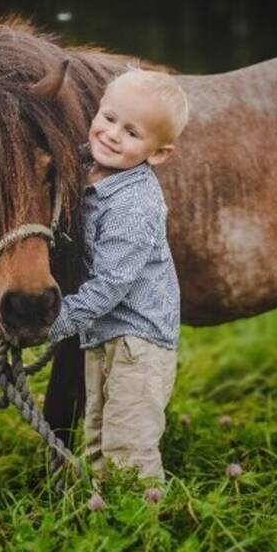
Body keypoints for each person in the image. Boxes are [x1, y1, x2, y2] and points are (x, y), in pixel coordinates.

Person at [48, 67, 189, 481]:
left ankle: (142, 525)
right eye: (108, 118)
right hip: (103, 334)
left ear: (158, 153)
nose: (111, 135)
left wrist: (52, 322)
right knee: (97, 438)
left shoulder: (134, 205)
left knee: (128, 446)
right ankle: (101, 521)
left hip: (137, 342)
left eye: (132, 133)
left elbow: (110, 286)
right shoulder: (89, 162)